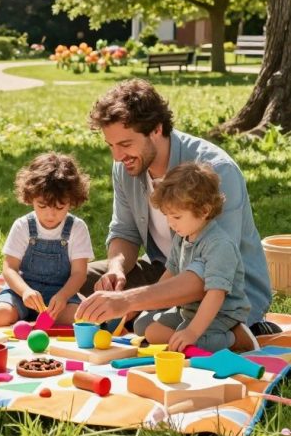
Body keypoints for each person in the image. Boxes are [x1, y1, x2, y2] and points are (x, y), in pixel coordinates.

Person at [76, 79, 276, 338]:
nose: (117, 156)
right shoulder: (125, 167)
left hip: (225, 290)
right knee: (72, 277)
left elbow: (210, 272)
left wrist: (129, 300)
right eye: (111, 146)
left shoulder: (216, 170)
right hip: (167, 270)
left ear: (156, 129)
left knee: (148, 326)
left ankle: (243, 331)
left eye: (125, 144)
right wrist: (116, 269)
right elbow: (125, 232)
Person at [135, 162, 256, 352]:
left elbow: (216, 295)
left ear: (205, 210)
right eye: (167, 216)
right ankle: (191, 332)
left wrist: (192, 332)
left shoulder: (219, 245)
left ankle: (236, 338)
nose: (170, 223)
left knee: (185, 341)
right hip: (189, 309)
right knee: (143, 327)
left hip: (221, 314)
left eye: (176, 217)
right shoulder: (182, 236)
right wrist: (149, 302)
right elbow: (171, 273)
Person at [0, 151, 93, 325]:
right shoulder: (23, 226)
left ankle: (36, 319)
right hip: (21, 293)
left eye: (59, 207)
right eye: (42, 206)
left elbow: (79, 274)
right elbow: (9, 268)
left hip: (59, 296)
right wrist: (25, 291)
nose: (50, 214)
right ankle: (13, 310)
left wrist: (63, 296)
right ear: (31, 197)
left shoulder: (77, 228)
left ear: (71, 200)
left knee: (82, 319)